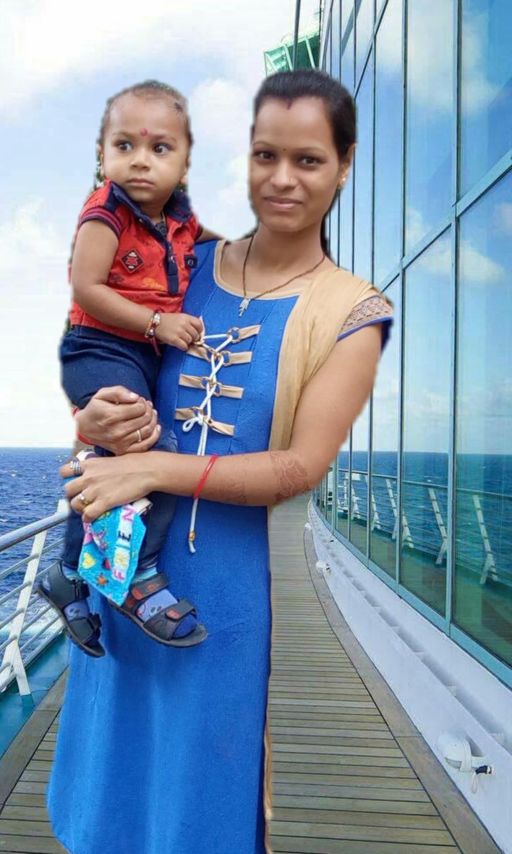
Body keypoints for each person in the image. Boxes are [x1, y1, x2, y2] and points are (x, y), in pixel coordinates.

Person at [47, 69, 394, 854]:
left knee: (202, 803)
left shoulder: (352, 311)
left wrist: (156, 471)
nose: (282, 178)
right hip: (119, 572)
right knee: (109, 792)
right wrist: (90, 418)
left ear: (345, 166)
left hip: (220, 599)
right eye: (266, 154)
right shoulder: (182, 262)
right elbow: (105, 361)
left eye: (308, 159)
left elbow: (300, 468)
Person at [36, 80, 217, 656]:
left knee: (108, 460)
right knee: (148, 453)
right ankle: (138, 577)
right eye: (125, 146)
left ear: (183, 163)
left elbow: (216, 247)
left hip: (139, 355)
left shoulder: (182, 220)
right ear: (103, 156)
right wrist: (157, 323)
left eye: (160, 148)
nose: (141, 160)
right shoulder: (106, 212)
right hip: (99, 347)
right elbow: (87, 288)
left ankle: (68, 574)